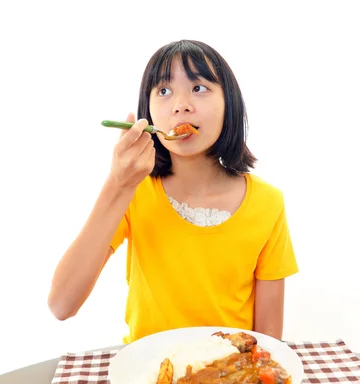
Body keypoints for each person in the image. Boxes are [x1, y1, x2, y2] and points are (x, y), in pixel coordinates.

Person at [47, 39, 298, 344]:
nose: (181, 104)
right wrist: (119, 184)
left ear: (229, 103)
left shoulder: (268, 202)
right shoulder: (134, 192)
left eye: (199, 87)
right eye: (164, 91)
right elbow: (61, 305)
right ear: (148, 113)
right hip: (147, 371)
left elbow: (269, 341)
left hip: (230, 373)